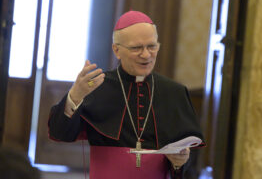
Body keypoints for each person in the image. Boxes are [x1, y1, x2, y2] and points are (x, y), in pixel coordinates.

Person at [48, 10, 205, 179]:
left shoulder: (174, 93)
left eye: (152, 46)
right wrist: (75, 96)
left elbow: (189, 163)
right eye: (136, 48)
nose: (146, 55)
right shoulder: (97, 87)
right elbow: (59, 133)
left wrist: (179, 162)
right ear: (117, 50)